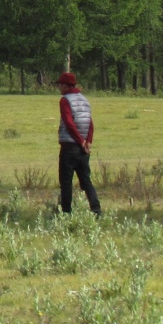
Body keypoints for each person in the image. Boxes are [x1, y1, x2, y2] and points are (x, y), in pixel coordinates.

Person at [57, 71, 101, 216]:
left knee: (66, 182)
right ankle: (96, 210)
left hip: (70, 146)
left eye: (61, 85)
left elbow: (69, 123)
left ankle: (66, 213)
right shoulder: (84, 100)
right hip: (83, 149)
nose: (59, 88)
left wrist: (80, 141)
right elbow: (90, 124)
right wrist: (88, 142)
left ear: (66, 86)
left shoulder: (65, 101)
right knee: (86, 181)